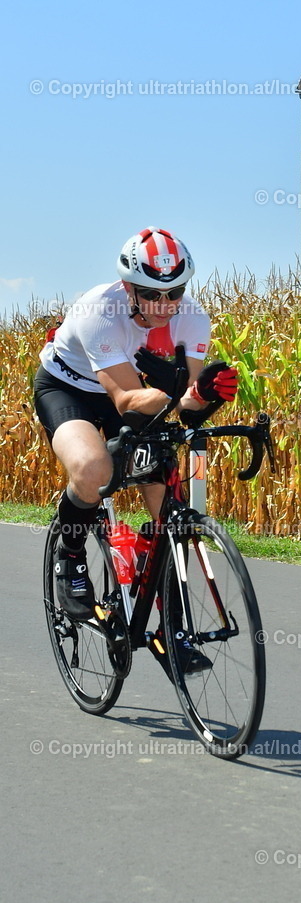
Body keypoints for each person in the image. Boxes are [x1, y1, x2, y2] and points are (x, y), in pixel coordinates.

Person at [34, 226, 238, 674]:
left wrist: (207, 394)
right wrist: (178, 391)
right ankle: (71, 557)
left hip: (142, 395)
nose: (165, 305)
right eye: (151, 294)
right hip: (70, 389)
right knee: (93, 469)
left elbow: (186, 407)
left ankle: (172, 629)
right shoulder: (100, 311)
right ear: (128, 287)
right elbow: (125, 400)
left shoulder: (192, 319)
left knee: (169, 505)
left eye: (175, 293)